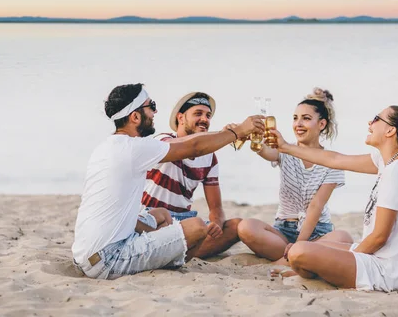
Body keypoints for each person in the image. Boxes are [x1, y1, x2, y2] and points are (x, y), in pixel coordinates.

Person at [71, 83, 264, 279]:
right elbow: (194, 147)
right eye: (151, 106)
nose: (155, 112)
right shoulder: (137, 148)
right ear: (135, 116)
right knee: (196, 226)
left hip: (86, 255)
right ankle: (171, 254)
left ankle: (167, 246)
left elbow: (194, 144)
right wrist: (237, 132)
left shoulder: (109, 147)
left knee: (161, 215)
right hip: (109, 259)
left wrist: (224, 134)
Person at [268, 105, 398, 291]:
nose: (370, 123)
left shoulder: (397, 171)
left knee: (299, 251)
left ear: (390, 130)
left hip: (387, 271)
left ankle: (313, 271)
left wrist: (353, 256)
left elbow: (379, 237)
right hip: (383, 260)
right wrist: (286, 148)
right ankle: (315, 269)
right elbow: (335, 160)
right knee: (312, 247)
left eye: (376, 118)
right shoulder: (390, 161)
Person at [236, 88, 352, 265]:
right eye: (295, 118)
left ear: (321, 124)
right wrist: (254, 141)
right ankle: (297, 258)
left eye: (306, 119)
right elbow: (265, 151)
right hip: (283, 231)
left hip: (317, 233)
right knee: (246, 227)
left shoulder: (332, 162)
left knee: (344, 237)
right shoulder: (285, 149)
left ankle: (289, 258)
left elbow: (316, 206)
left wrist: (299, 244)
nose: (298, 124)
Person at [141, 92, 241, 259]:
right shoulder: (162, 141)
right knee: (196, 228)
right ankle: (178, 252)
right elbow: (194, 146)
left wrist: (216, 224)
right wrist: (226, 135)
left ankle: (177, 252)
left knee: (236, 226)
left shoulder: (209, 157)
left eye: (208, 115)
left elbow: (216, 209)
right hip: (152, 218)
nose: (204, 119)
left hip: (183, 221)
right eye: (198, 114)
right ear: (180, 118)